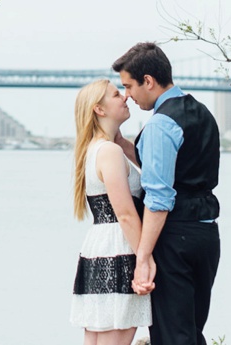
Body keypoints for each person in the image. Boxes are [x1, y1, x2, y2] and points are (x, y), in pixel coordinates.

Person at [113, 41, 221, 345]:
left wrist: (144, 257)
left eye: (129, 86)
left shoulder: (161, 124)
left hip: (175, 238)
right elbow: (173, 168)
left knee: (172, 335)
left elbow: (159, 199)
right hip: (206, 235)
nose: (127, 96)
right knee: (191, 332)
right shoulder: (200, 112)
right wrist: (124, 146)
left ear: (148, 80)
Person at [70, 78, 151, 344]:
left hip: (98, 248)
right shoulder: (110, 152)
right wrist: (145, 259)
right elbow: (126, 214)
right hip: (119, 249)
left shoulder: (95, 150)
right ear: (99, 109)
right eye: (116, 94)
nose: (125, 97)